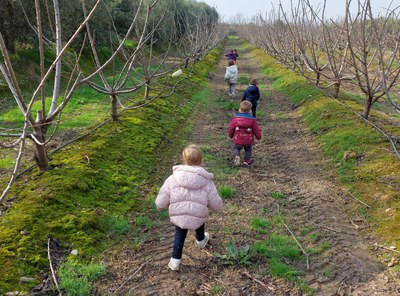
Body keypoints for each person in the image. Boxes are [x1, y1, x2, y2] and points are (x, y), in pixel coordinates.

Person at [155, 144, 223, 271]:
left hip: (179, 215)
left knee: (179, 235)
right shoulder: (206, 181)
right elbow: (215, 202)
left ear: (184, 160)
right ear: (201, 161)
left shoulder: (173, 178)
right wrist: (218, 205)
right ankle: (201, 240)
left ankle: (175, 261)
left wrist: (160, 205)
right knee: (199, 221)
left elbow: (164, 194)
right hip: (198, 215)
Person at [228, 100, 262, 166]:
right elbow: (256, 130)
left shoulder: (236, 119)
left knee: (236, 148)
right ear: (250, 110)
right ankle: (246, 161)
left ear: (240, 109)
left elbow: (231, 128)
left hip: (238, 138)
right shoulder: (252, 120)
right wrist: (259, 137)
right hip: (248, 140)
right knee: (248, 150)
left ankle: (237, 157)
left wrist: (230, 135)